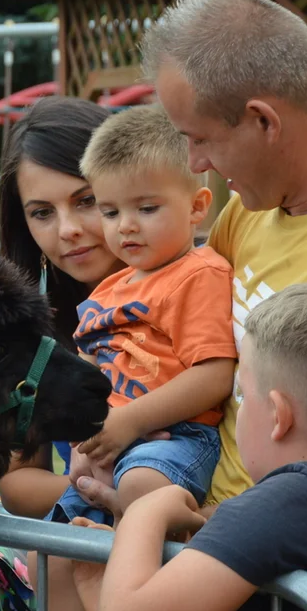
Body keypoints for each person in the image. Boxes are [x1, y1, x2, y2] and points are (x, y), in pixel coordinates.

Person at [73, 0, 307, 533]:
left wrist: (187, 525)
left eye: (200, 139)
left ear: (263, 121)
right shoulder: (254, 206)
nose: (195, 163)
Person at [80, 280, 307, 611]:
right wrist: (112, 585)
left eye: (241, 395)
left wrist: (144, 512)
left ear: (278, 416)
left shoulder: (293, 498)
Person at [50, 103, 234, 526]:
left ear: (196, 207)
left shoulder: (198, 274)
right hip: (107, 439)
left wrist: (130, 422)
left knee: (140, 490)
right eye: (110, 212)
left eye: (146, 209)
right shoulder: (109, 290)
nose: (125, 226)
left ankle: (145, 588)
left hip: (175, 436)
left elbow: (215, 373)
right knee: (57, 538)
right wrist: (82, 439)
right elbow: (86, 367)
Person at [0, 97, 124, 520]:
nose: (67, 230)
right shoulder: (33, 332)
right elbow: (17, 480)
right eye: (42, 213)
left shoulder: (205, 285)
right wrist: (104, 497)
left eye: (85, 200)